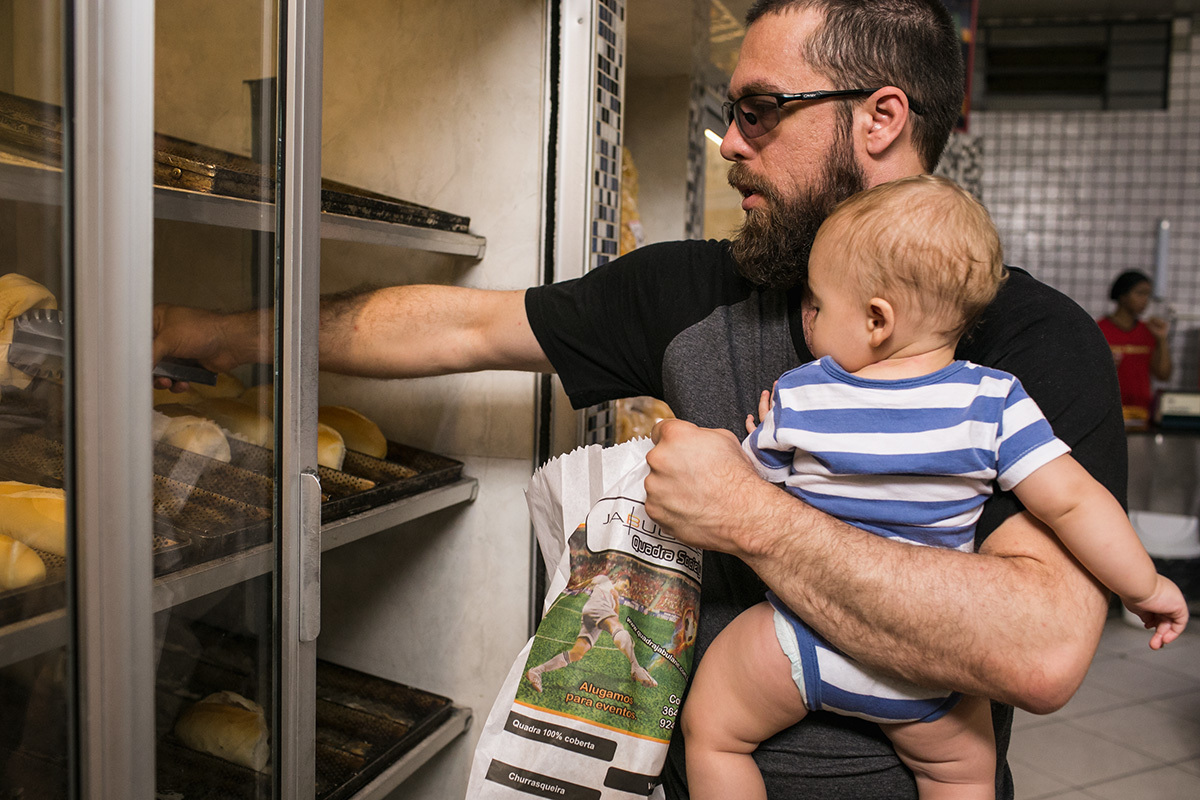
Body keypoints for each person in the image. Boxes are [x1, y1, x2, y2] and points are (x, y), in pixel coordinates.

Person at [152, 1, 1126, 796]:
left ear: (880, 117)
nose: (730, 142)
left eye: (761, 111)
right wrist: (201, 332)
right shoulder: (695, 293)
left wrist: (752, 515)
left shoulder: (1029, 344)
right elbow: (459, 327)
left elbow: (1040, 648)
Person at [680, 175, 1187, 800]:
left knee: (712, 732)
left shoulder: (802, 393)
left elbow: (747, 487)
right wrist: (1145, 586)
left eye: (817, 305)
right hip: (927, 670)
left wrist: (757, 438)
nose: (807, 317)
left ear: (876, 319)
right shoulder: (995, 401)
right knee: (962, 773)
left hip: (796, 639)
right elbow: (1076, 502)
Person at [525, 573, 659, 692]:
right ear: (619, 579)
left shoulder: (615, 597)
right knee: (618, 628)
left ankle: (536, 671)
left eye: (627, 589)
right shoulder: (605, 581)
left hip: (592, 617)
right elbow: (589, 581)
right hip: (597, 608)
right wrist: (574, 589)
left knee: (577, 653)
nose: (625, 589)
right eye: (625, 585)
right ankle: (635, 667)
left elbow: (615, 618)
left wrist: (615, 601)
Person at [1097, 269, 1172, 424]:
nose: (1145, 300)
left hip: (1142, 413)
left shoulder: (1149, 331)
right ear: (1123, 295)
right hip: (1109, 412)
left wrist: (1162, 340)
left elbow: (1163, 374)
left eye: (1147, 295)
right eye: (1140, 293)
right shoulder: (1100, 329)